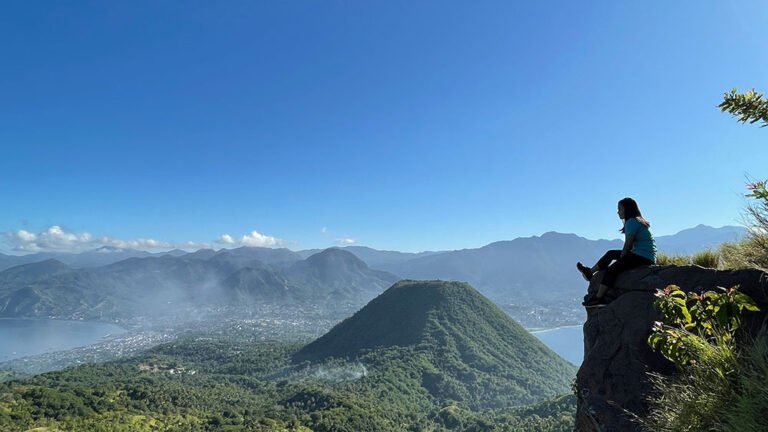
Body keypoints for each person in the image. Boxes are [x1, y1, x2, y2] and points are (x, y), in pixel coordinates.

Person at [577, 197, 656, 307]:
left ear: (627, 209)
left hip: (641, 257)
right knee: (611, 253)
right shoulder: (636, 221)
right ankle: (590, 272)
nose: (618, 212)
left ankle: (598, 298)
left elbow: (628, 244)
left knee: (611, 270)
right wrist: (623, 257)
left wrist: (622, 258)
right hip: (643, 255)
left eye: (620, 209)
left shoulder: (631, 222)